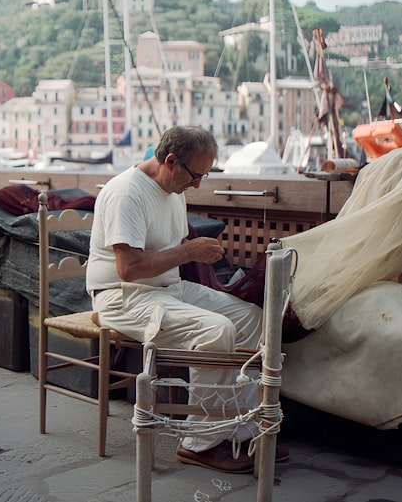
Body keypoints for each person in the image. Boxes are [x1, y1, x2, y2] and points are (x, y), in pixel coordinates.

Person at [86, 125, 287, 474]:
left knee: (254, 318)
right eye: (196, 175)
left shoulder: (174, 189)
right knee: (216, 330)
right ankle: (200, 442)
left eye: (205, 175)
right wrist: (190, 250)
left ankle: (242, 430)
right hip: (123, 297)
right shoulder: (128, 194)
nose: (197, 185)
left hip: (166, 289)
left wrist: (190, 256)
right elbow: (129, 268)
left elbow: (171, 254)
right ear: (171, 161)